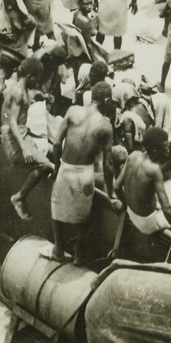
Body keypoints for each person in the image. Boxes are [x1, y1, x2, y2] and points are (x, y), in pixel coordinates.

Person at [49, 82, 121, 264]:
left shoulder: (73, 111)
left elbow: (57, 143)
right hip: (85, 175)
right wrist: (111, 194)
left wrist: (57, 168)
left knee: (57, 209)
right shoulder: (106, 125)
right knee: (83, 219)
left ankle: (58, 249)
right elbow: (108, 164)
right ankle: (78, 255)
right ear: (105, 100)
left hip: (66, 169)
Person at [115, 127, 171, 252]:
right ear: (156, 151)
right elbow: (167, 209)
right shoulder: (154, 170)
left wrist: (125, 205)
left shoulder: (133, 155)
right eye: (166, 149)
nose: (168, 151)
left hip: (132, 212)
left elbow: (116, 187)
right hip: (147, 223)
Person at [3, 57, 55, 220]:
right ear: (30, 75)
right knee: (46, 165)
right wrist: (24, 148)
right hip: (15, 139)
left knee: (52, 152)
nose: (38, 82)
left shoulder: (19, 88)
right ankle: (19, 197)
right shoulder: (18, 92)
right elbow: (12, 122)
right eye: (36, 78)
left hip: (22, 133)